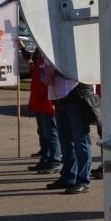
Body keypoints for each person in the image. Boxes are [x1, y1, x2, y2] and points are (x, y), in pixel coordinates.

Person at [42, 62, 97, 194]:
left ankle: (83, 181)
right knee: (65, 141)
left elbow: (77, 72)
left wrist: (52, 72)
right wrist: (45, 77)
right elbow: (43, 72)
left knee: (81, 141)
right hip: (60, 101)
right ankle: (68, 176)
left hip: (78, 99)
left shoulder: (77, 48)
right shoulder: (50, 50)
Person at [19, 44, 61, 175]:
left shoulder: (53, 57)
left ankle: (54, 161)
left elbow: (48, 78)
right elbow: (36, 72)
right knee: (44, 132)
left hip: (48, 102)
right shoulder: (41, 56)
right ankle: (46, 158)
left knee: (51, 134)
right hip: (40, 101)